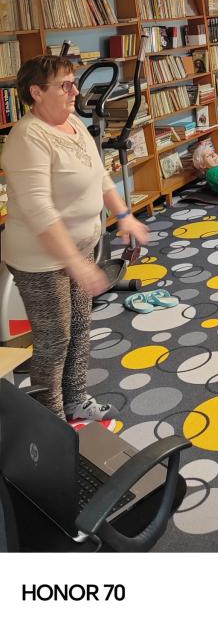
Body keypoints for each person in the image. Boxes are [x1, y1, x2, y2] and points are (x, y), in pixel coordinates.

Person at [2, 55, 149, 422]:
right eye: (65, 85)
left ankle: (75, 399)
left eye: (74, 83)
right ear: (36, 92)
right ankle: (49, 421)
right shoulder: (27, 137)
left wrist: (124, 216)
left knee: (80, 328)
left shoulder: (73, 124)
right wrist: (74, 264)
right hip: (41, 260)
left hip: (76, 252)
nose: (75, 91)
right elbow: (39, 209)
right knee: (54, 340)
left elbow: (100, 176)